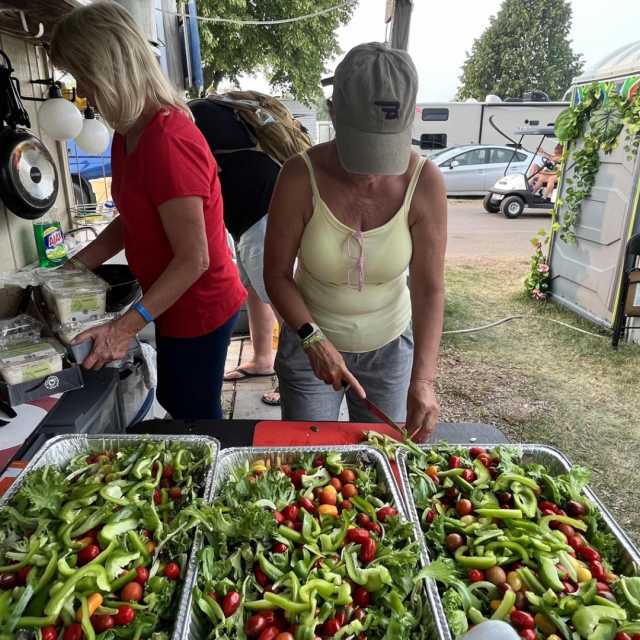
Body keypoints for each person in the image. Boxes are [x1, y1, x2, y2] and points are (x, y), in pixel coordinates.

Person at [50, 2, 246, 420]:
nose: (82, 92)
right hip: (172, 301)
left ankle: (213, 477)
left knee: (192, 413)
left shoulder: (167, 141)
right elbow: (135, 218)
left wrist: (122, 329)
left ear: (109, 68)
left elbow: (194, 259)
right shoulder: (127, 134)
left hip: (200, 306)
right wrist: (74, 268)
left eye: (83, 77)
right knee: (178, 400)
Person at [264, 43, 447, 440]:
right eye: (361, 146)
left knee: (384, 456)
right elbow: (276, 275)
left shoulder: (425, 182)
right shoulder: (299, 176)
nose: (371, 173)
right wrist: (312, 339)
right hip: (311, 339)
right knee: (310, 460)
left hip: (390, 349)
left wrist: (424, 380)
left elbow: (429, 288)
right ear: (333, 113)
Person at [189, 96, 281, 404]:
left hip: (261, 218)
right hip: (250, 218)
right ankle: (263, 359)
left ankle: (294, 376)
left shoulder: (192, 118)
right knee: (255, 291)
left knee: (281, 299)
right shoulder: (203, 112)